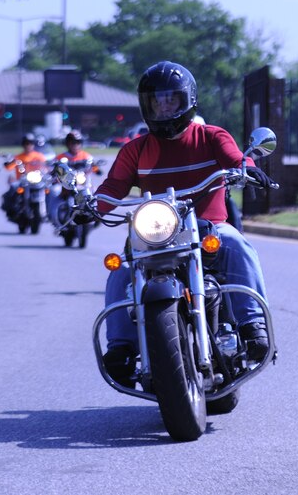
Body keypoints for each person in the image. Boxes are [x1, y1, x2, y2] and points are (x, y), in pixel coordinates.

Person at [90, 61, 274, 386]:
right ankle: (119, 346)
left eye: (169, 100)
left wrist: (248, 167)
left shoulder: (211, 136)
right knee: (121, 266)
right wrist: (92, 204)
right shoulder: (136, 149)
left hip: (208, 228)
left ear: (186, 100)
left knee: (237, 244)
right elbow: (114, 187)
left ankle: (253, 325)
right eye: (155, 101)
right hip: (155, 234)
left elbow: (235, 159)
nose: (162, 107)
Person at [48, 130, 100, 227]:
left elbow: (94, 166)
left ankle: (97, 215)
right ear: (68, 144)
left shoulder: (87, 156)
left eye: (78, 142)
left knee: (96, 192)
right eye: (72, 142)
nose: (75, 145)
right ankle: (51, 215)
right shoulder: (61, 157)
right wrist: (53, 172)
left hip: (82, 183)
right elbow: (52, 168)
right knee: (53, 191)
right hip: (65, 185)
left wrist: (97, 169)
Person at [1, 132, 48, 216]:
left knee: (48, 189)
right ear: (23, 145)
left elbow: (45, 167)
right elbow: (8, 167)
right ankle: (12, 209)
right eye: (26, 143)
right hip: (22, 181)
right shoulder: (18, 157)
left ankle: (48, 211)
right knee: (13, 187)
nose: (28, 145)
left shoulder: (39, 156)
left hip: (36, 180)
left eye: (30, 143)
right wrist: (9, 162)